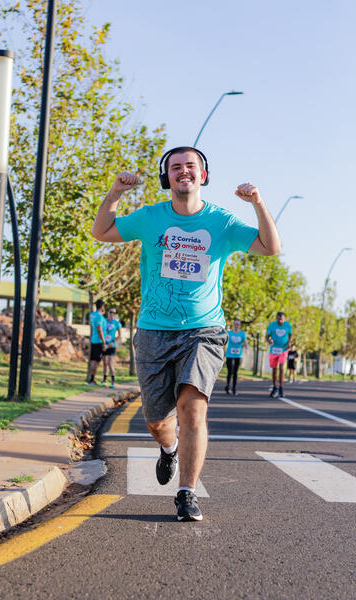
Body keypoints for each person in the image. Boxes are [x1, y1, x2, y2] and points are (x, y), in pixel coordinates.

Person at [92, 145, 280, 521]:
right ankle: (169, 448)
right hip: (153, 332)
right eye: (175, 167)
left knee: (193, 409)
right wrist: (115, 193)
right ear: (168, 177)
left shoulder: (221, 223)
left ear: (203, 175)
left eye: (190, 166)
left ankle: (186, 492)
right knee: (156, 420)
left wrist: (257, 203)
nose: (184, 172)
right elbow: (102, 232)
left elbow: (270, 247)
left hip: (204, 331)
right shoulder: (150, 218)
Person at [266, 311, 292, 399]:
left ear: (284, 319)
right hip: (274, 349)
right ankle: (274, 388)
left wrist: (289, 342)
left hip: (283, 349)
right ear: (276, 318)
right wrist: (269, 340)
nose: (280, 321)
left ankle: (281, 388)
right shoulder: (272, 325)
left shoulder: (288, 325)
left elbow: (290, 335)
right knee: (274, 369)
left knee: (281, 367)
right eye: (278, 319)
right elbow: (267, 336)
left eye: (281, 319)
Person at [225, 318, 248, 395]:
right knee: (230, 371)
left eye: (238, 324)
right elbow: (225, 342)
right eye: (235, 324)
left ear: (240, 325)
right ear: (233, 324)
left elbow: (245, 343)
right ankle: (228, 386)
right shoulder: (229, 333)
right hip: (229, 354)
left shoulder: (242, 333)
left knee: (235, 372)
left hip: (238, 355)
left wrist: (246, 349)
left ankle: (234, 388)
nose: (236, 326)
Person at [88, 299, 107, 385]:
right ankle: (92, 380)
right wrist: (104, 342)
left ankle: (91, 379)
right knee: (96, 361)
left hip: (93, 340)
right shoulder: (99, 317)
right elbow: (100, 329)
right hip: (99, 341)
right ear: (102, 306)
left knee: (93, 360)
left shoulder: (93, 315)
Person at [102, 308, 122, 388]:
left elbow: (120, 335)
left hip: (112, 345)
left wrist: (112, 342)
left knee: (110, 362)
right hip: (104, 344)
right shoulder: (104, 321)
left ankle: (113, 381)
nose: (112, 314)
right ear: (108, 313)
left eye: (114, 312)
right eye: (111, 312)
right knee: (105, 362)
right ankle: (104, 380)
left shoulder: (117, 323)